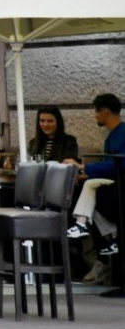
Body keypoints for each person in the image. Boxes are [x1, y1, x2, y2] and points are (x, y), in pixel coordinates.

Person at [66, 94, 125, 261]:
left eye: (96, 111)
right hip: (115, 181)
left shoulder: (121, 134)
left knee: (90, 187)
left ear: (105, 112)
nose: (95, 116)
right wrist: (87, 173)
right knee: (91, 197)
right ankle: (113, 236)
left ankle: (81, 224)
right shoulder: (114, 135)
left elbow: (118, 164)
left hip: (120, 183)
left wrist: (83, 167)